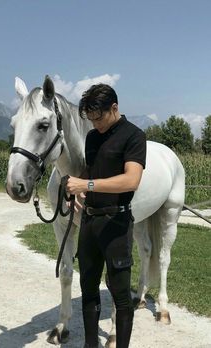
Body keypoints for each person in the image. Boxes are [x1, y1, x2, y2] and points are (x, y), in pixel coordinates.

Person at [67, 83, 146, 348]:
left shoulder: (133, 136)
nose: (95, 124)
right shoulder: (92, 137)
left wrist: (86, 186)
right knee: (88, 291)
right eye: (90, 119)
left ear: (114, 108)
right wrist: (75, 185)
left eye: (98, 118)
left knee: (121, 297)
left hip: (116, 224)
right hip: (90, 223)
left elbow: (131, 180)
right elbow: (94, 172)